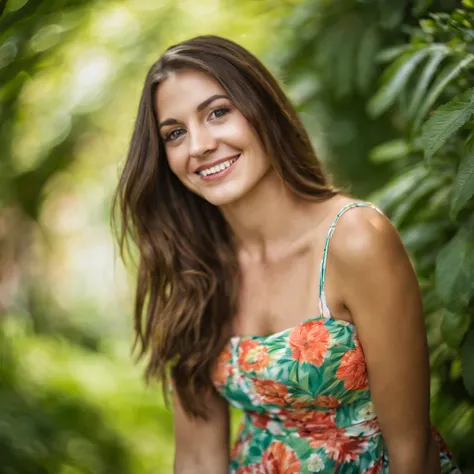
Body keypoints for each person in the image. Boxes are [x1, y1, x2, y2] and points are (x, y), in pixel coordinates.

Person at [112, 35, 460, 474]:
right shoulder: (192, 268)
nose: (198, 145)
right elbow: (198, 458)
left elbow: (413, 452)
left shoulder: (355, 238)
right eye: (175, 133)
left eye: (218, 112)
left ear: (263, 110)